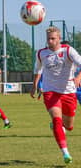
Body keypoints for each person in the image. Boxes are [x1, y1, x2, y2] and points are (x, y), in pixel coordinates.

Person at [30, 26, 81, 164]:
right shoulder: (41, 53)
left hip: (69, 92)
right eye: (48, 39)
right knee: (57, 120)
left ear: (59, 38)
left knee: (69, 126)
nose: (50, 41)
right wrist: (35, 85)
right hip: (50, 91)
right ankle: (65, 153)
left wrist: (79, 78)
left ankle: (61, 127)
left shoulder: (68, 50)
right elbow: (38, 69)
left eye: (53, 38)